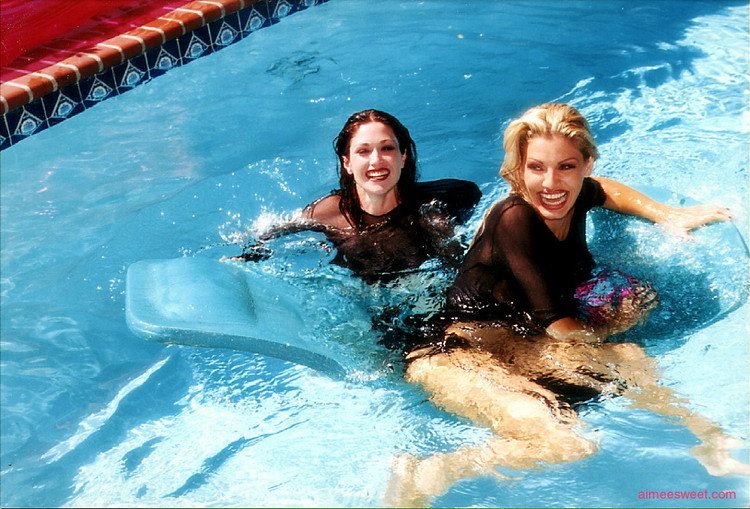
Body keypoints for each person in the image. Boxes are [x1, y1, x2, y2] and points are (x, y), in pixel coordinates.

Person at [385, 103, 747, 508]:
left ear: (586, 164)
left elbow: (606, 190)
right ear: (517, 170)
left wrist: (667, 214)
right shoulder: (514, 218)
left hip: (519, 346)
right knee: (567, 444)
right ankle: (431, 471)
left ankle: (710, 440)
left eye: (567, 167)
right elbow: (558, 326)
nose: (551, 183)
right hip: (454, 355)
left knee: (628, 357)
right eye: (536, 167)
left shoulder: (573, 196)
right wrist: (613, 324)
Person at [232, 109, 482, 282]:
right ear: (347, 163)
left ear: (403, 156)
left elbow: (457, 271)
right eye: (363, 151)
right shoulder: (327, 213)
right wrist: (247, 258)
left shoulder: (430, 212)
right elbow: (270, 236)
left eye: (387, 148)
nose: (376, 161)